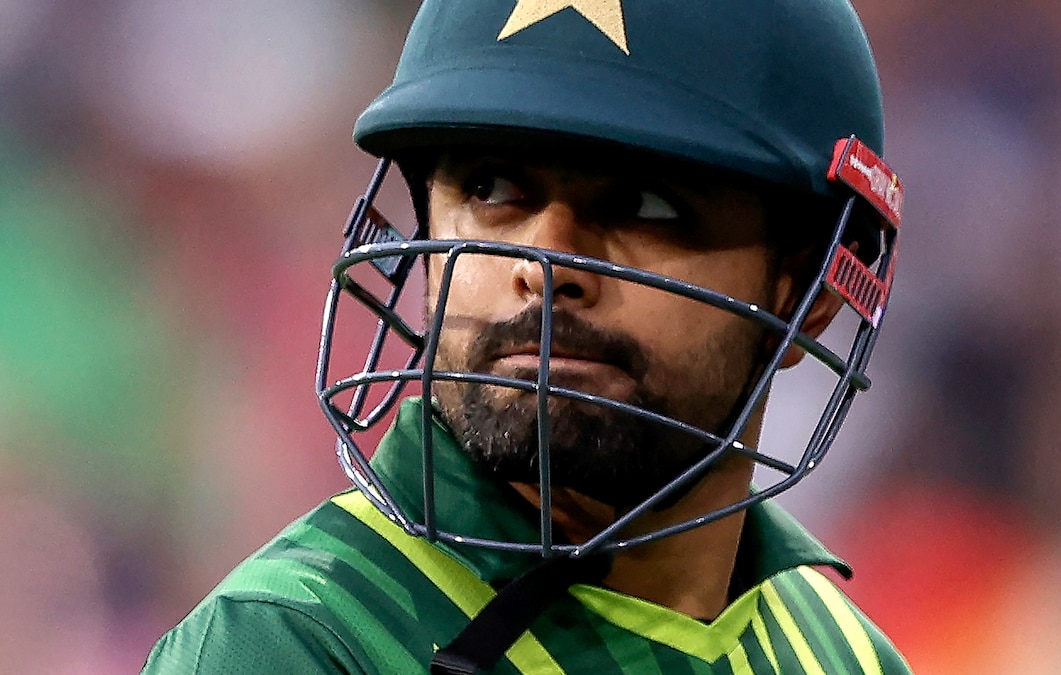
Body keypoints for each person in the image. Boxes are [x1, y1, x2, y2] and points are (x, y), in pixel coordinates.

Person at [143, 0, 909, 672]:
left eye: (647, 203)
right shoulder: (292, 642)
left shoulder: (847, 659)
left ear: (808, 293)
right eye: (493, 187)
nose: (546, 263)